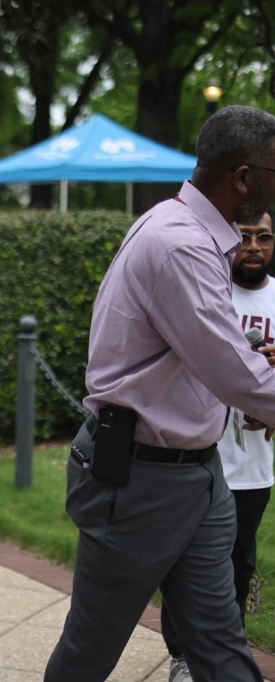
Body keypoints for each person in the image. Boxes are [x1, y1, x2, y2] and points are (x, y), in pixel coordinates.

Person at [44, 105, 275, 682]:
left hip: (197, 472)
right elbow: (235, 375)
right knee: (91, 649)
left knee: (220, 642)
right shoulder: (181, 245)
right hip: (141, 482)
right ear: (243, 178)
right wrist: (255, 379)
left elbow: (214, 358)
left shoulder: (186, 230)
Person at [161, 211, 275, 682]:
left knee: (238, 562)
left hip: (256, 462)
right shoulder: (210, 292)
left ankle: (225, 656)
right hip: (204, 455)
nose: (253, 246)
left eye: (264, 237)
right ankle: (182, 655)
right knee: (182, 560)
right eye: (244, 236)